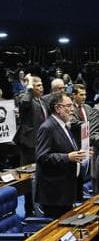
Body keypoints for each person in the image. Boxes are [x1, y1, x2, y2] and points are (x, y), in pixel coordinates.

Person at [35, 91, 88, 218]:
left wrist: (81, 153)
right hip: (55, 193)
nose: (72, 110)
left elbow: (67, 148)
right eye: (69, 106)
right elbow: (42, 157)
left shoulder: (64, 125)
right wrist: (68, 157)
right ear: (58, 108)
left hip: (66, 188)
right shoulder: (47, 128)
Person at [14, 75, 49, 216]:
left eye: (41, 85)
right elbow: (24, 104)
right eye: (37, 86)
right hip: (29, 144)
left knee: (42, 174)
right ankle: (29, 208)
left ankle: (42, 204)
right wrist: (28, 87)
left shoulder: (42, 100)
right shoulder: (24, 97)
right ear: (31, 87)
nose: (41, 88)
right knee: (29, 177)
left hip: (42, 142)